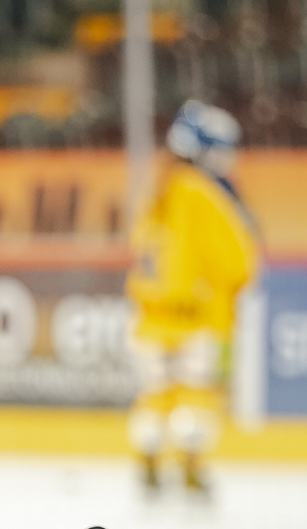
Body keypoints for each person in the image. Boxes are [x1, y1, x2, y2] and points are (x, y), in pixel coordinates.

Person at [126, 99, 258, 493]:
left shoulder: (158, 190)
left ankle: (148, 460)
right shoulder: (205, 195)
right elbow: (238, 261)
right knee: (196, 394)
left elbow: (141, 251)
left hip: (151, 318)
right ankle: (190, 465)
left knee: (155, 395)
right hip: (200, 316)